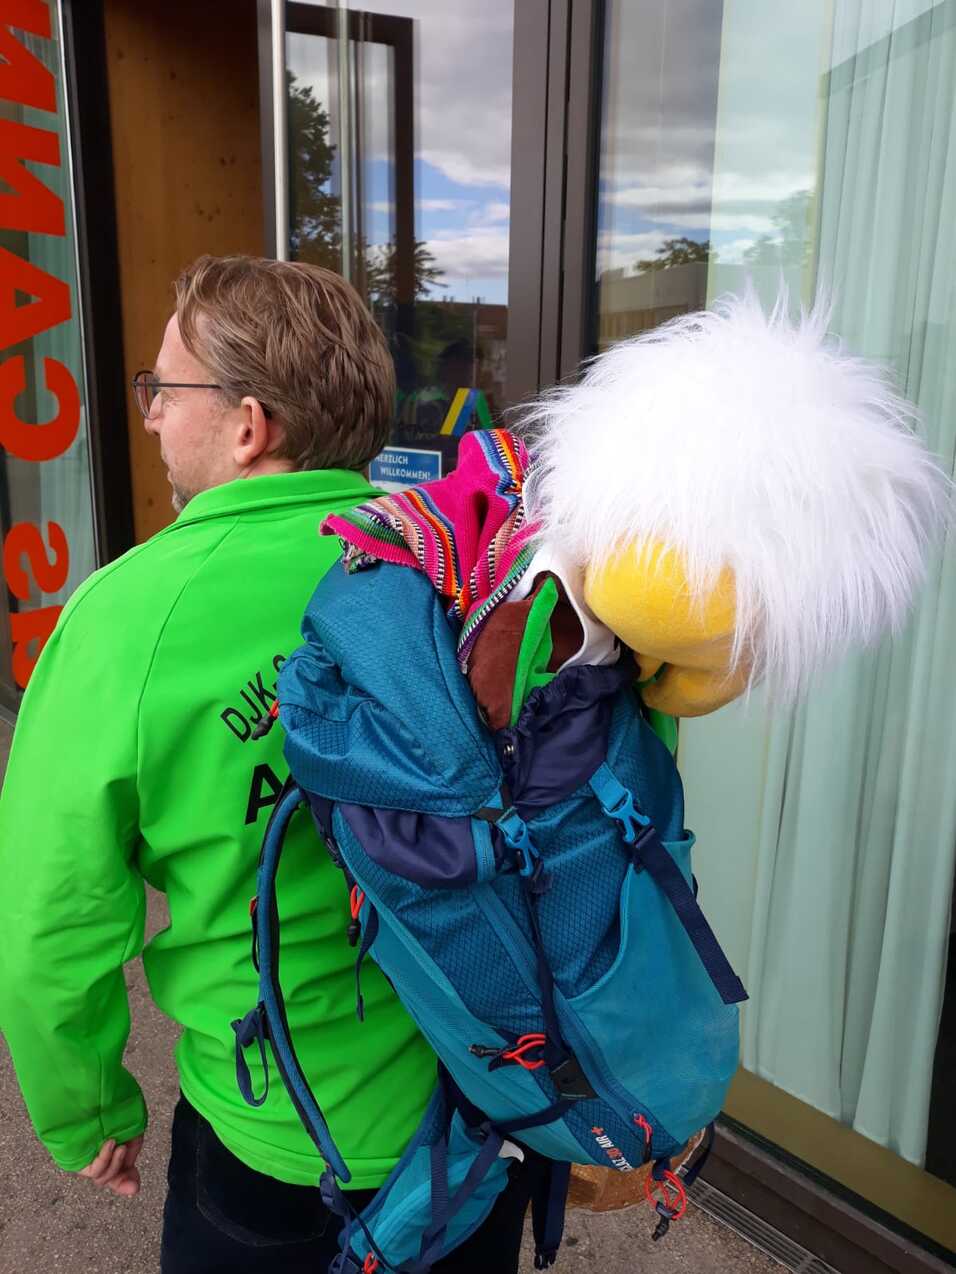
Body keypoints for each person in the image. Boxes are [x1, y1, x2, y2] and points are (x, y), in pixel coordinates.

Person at [0, 255, 542, 1273]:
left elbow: (50, 925)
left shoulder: (125, 617)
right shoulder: (463, 566)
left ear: (250, 426)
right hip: (481, 1105)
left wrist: (88, 1110)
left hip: (279, 1144)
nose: (152, 414)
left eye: (164, 387)